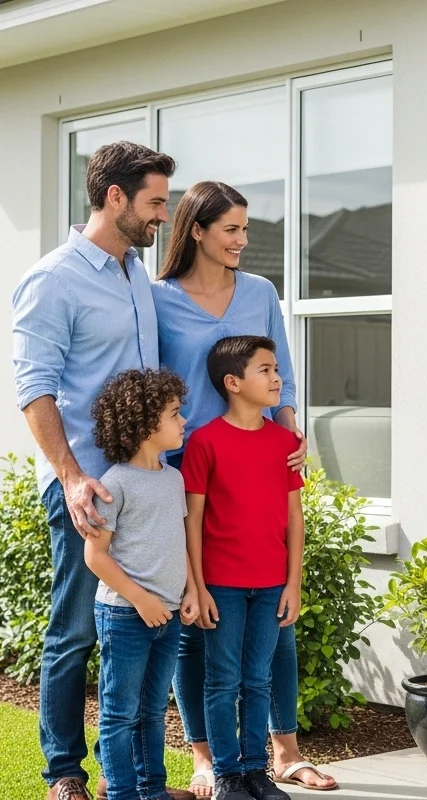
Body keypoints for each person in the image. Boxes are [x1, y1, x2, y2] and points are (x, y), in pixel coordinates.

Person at [10, 141, 197, 800]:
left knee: (148, 628)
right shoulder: (54, 279)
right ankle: (63, 773)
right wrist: (68, 475)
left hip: (147, 484)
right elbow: (34, 387)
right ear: (114, 198)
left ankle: (144, 779)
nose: (161, 217)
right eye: (153, 203)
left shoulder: (135, 274)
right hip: (88, 487)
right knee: (75, 630)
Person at [153, 182, 334, 794]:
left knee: (271, 629)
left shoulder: (259, 292)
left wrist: (290, 440)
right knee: (196, 621)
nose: (241, 241)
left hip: (257, 467)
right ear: (196, 230)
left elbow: (280, 367)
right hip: (186, 472)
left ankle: (280, 754)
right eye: (230, 229)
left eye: (245, 229)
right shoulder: (158, 299)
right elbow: (150, 383)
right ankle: (209, 759)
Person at [182, 336, 304, 800]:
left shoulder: (283, 443)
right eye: (266, 370)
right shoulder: (204, 442)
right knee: (222, 681)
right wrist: (199, 585)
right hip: (223, 586)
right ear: (233, 382)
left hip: (272, 584)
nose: (277, 379)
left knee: (258, 679)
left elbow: (295, 517)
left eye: (276, 370)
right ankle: (228, 775)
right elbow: (192, 521)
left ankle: (257, 771)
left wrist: (292, 583)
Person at [84, 369, 199, 800]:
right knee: (119, 713)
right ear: (145, 423)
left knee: (152, 711)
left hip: (167, 613)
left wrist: (188, 591)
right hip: (124, 614)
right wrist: (141, 600)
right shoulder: (114, 484)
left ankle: (152, 791)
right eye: (175, 413)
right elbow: (95, 556)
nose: (184, 420)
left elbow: (179, 542)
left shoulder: (173, 478)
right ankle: (122, 794)